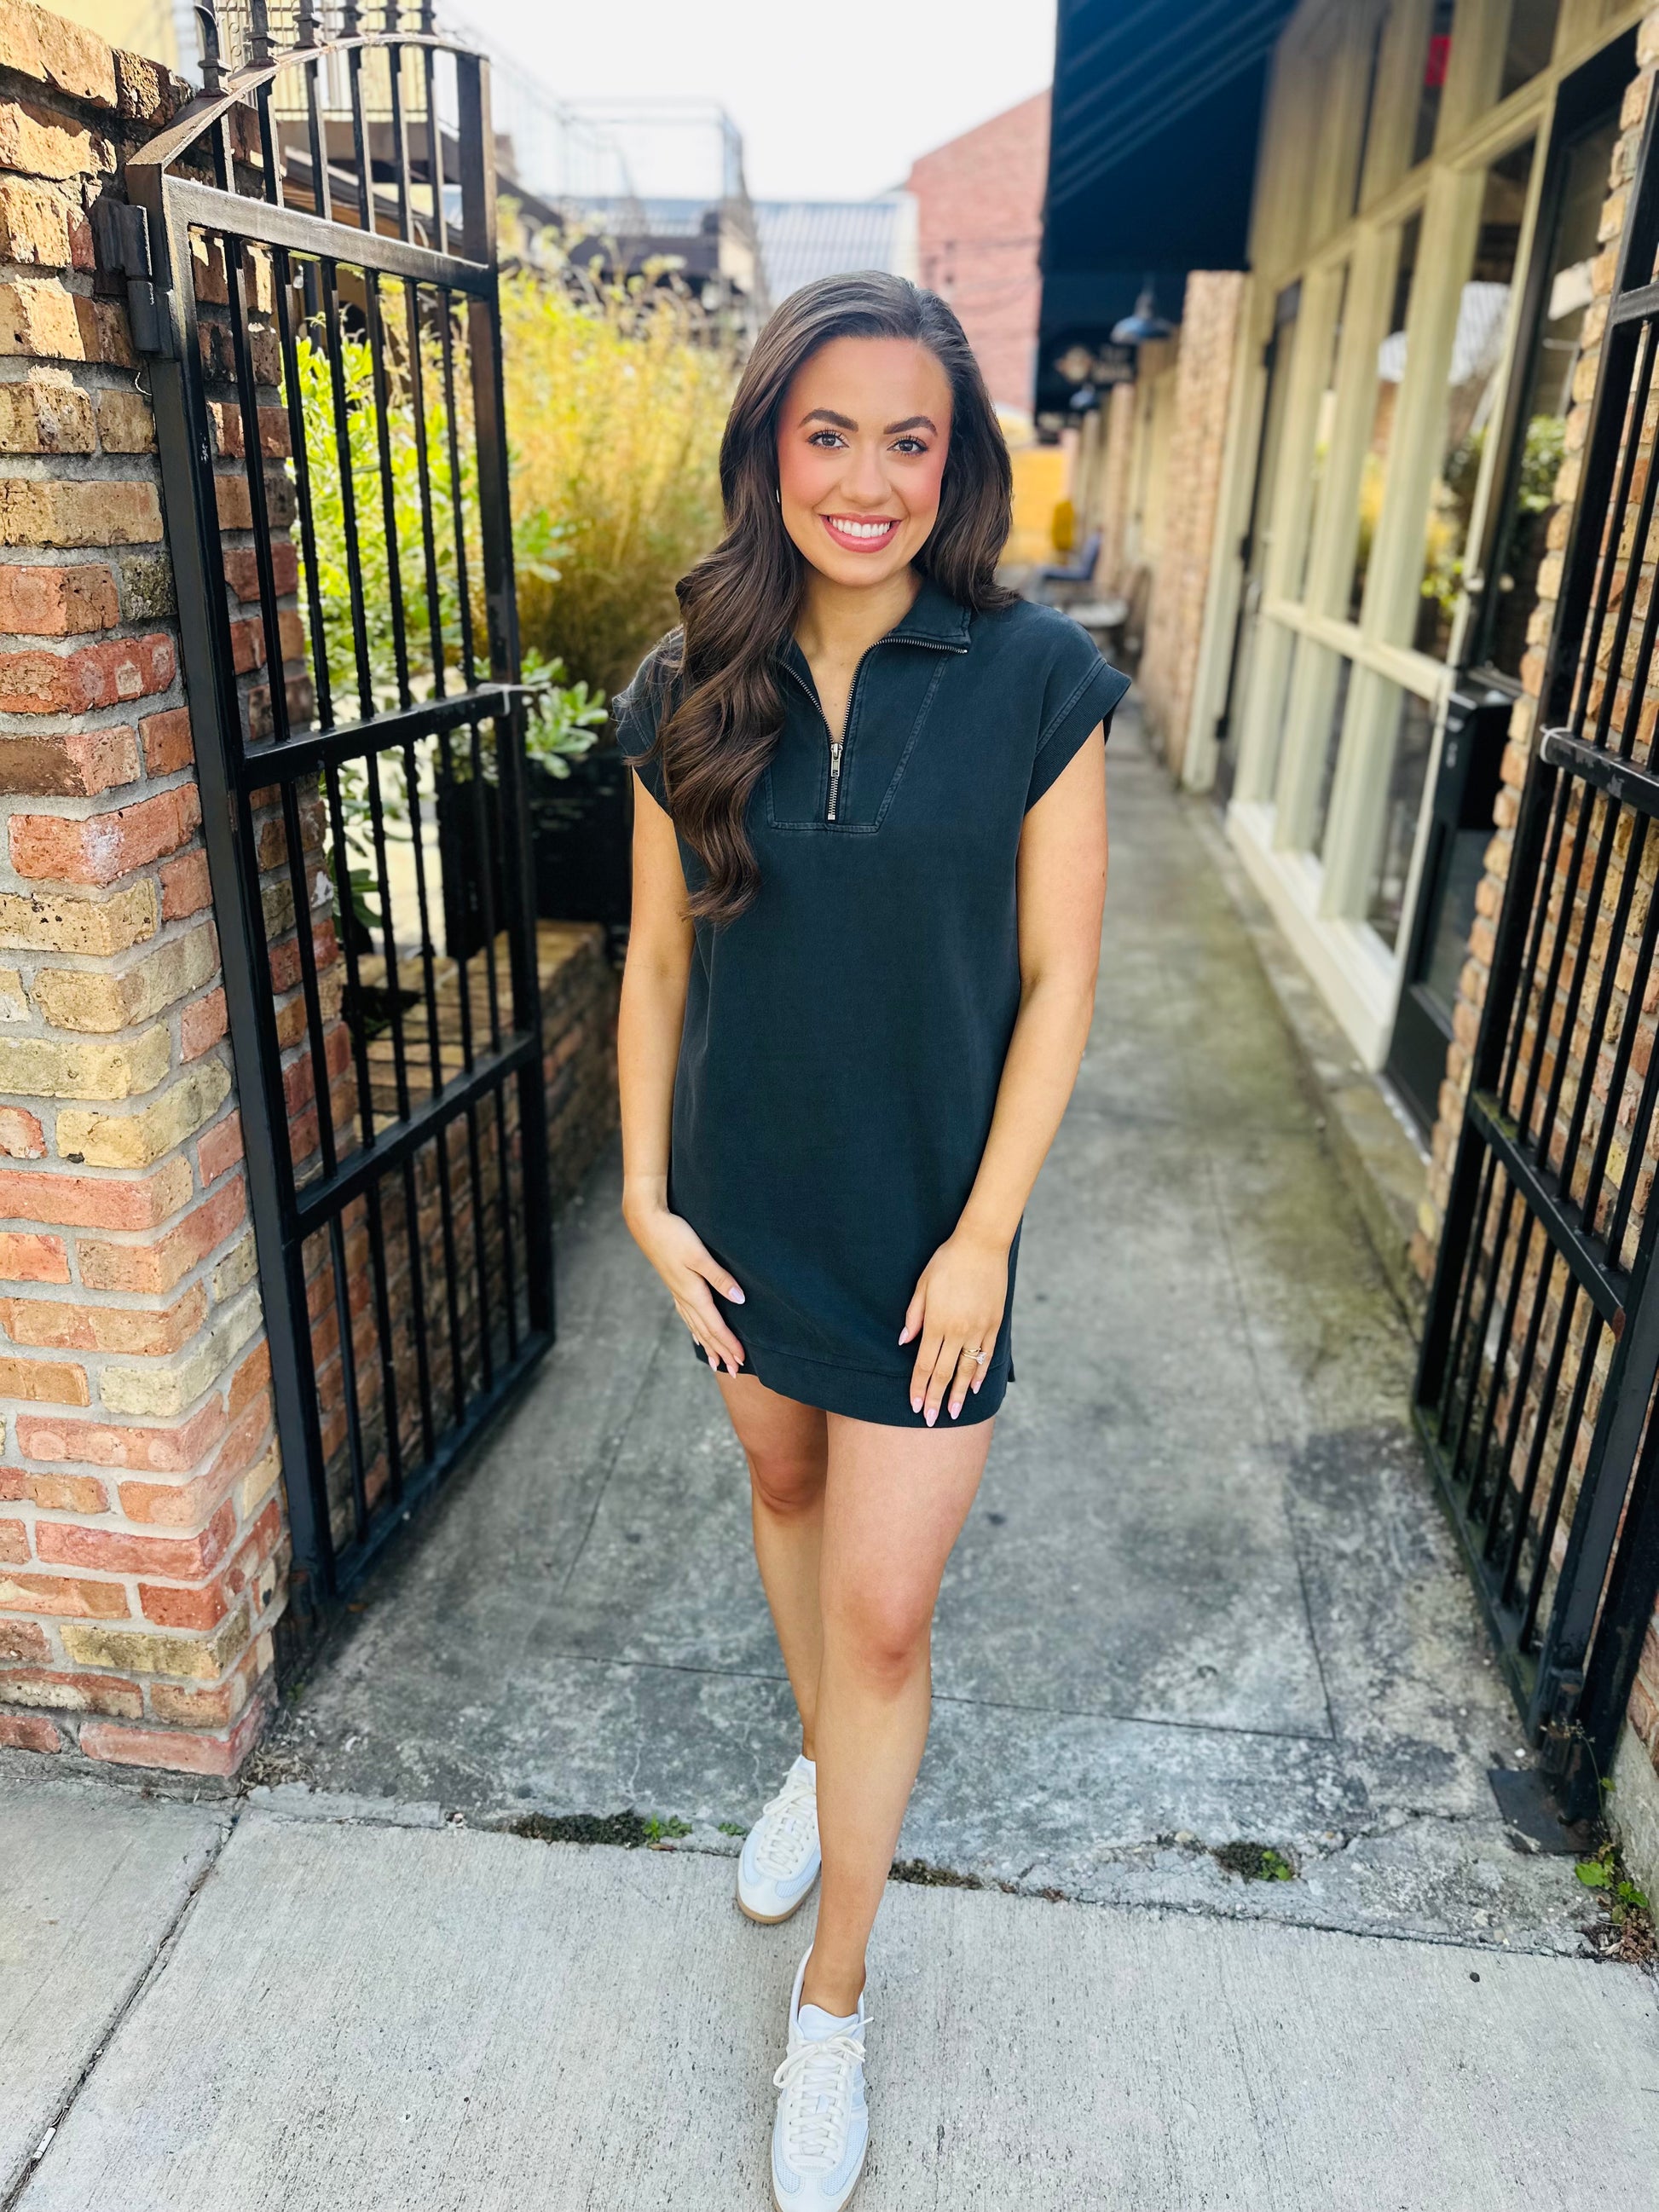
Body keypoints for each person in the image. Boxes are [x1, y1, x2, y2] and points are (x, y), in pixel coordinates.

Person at [614, 271, 1125, 2209]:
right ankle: (825, 1765)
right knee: (784, 1488)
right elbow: (657, 968)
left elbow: (1061, 978)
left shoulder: (1036, 677)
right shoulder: (687, 681)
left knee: (886, 1610)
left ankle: (830, 2001)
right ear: (768, 450)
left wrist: (986, 1233)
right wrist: (646, 1195)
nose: (867, 479)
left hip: (930, 1229)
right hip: (745, 1211)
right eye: (827, 434)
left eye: (908, 440)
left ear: (954, 461)